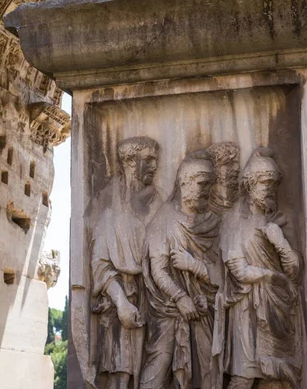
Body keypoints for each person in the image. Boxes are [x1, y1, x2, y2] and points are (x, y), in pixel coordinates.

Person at [214, 147, 302, 389]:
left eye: (273, 184)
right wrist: (275, 277)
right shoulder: (234, 222)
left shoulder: (278, 221)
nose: (270, 189)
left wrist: (280, 242)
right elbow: (239, 271)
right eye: (264, 183)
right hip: (246, 308)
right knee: (244, 376)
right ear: (249, 185)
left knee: (278, 377)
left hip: (277, 307)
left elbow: (295, 269)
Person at [140, 149, 221, 389]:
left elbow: (222, 270)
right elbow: (159, 270)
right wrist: (180, 298)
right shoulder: (164, 220)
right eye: (201, 184)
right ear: (185, 183)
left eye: (209, 184)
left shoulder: (215, 223)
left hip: (206, 307)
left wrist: (194, 266)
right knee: (160, 364)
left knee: (209, 368)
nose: (206, 190)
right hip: (168, 309)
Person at [89, 136, 163, 389]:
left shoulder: (158, 203)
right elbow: (99, 264)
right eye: (149, 160)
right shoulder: (109, 206)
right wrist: (121, 302)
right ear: (131, 162)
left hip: (155, 297)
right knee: (121, 372)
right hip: (120, 298)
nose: (155, 165)